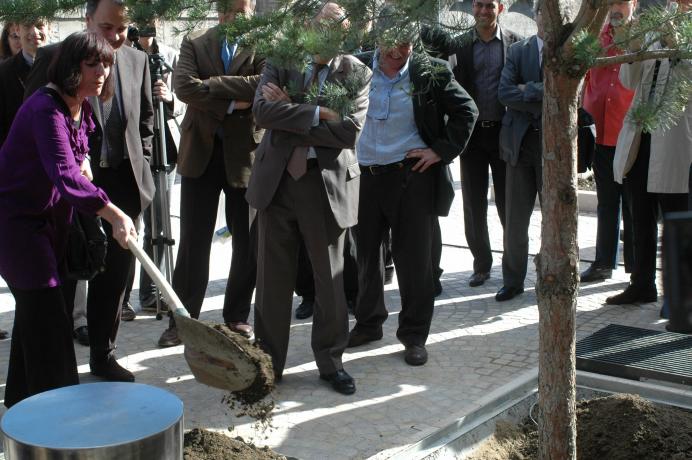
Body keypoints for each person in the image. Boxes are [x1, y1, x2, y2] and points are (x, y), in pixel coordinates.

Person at [0, 31, 136, 408]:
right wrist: (113, 213)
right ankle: (62, 419)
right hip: (16, 227)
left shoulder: (81, 106)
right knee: (50, 325)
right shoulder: (45, 108)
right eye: (92, 64)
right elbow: (64, 173)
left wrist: (86, 161)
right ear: (71, 67)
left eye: (106, 64)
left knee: (34, 318)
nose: (102, 72)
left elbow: (80, 155)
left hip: (50, 226)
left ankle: (19, 407)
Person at [25, 0, 155, 382]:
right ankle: (59, 363)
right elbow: (36, 124)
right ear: (86, 20)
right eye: (106, 27)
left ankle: (103, 353)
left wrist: (142, 159)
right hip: (70, 188)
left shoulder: (136, 60)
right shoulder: (54, 58)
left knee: (114, 277)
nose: (114, 39)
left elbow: (145, 119)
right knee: (67, 272)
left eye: (121, 29)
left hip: (124, 184)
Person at [247, 2, 371, 394]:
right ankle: (268, 365)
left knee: (330, 281)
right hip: (278, 183)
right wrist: (321, 113)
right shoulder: (281, 60)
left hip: (326, 185)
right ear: (308, 27)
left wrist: (294, 110)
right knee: (272, 280)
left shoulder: (357, 71)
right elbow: (263, 113)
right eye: (322, 27)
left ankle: (331, 362)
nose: (328, 36)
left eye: (337, 30)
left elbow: (349, 131)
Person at [347, 24, 478, 366]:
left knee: (414, 262)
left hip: (411, 177)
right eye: (391, 43)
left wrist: (440, 150)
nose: (398, 52)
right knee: (365, 257)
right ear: (377, 38)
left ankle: (414, 335)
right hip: (364, 176)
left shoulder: (429, 70)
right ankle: (368, 323)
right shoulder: (356, 67)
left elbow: (467, 110)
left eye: (405, 45)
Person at [157, 0, 263, 348]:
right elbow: (184, 87)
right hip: (200, 153)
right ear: (221, 12)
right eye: (233, 10)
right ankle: (183, 321)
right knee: (193, 241)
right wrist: (233, 100)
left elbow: (263, 86)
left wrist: (212, 85)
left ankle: (237, 317)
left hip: (244, 155)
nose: (239, 16)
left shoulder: (264, 45)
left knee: (246, 241)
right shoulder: (196, 40)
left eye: (245, 9)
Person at [608, 0, 692, 305]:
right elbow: (629, 81)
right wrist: (632, 49)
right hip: (641, 137)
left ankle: (681, 298)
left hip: (675, 141)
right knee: (639, 216)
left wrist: (677, 46)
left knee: (677, 220)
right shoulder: (655, 26)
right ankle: (641, 284)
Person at [447, 0, 521, 288]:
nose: (483, 11)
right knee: (474, 205)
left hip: (505, 133)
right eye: (479, 5)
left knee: (508, 204)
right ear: (472, 8)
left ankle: (512, 268)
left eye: (489, 5)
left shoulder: (516, 45)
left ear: (500, 8)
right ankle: (481, 264)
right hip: (472, 136)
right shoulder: (459, 45)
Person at [119, 24, 183, 321]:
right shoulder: (125, 55)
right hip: (133, 151)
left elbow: (185, 98)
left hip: (165, 147)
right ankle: (121, 297)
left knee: (160, 227)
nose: (147, 30)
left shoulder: (169, 55)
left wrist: (169, 96)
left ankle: (151, 292)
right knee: (132, 225)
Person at [579, 0, 636, 283]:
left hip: (632, 136)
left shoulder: (642, 39)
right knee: (606, 202)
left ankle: (638, 269)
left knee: (635, 204)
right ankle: (603, 263)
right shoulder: (593, 39)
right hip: (600, 136)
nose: (616, 7)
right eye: (611, 1)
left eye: (622, 2)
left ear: (633, 4)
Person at [495, 3, 544, 302]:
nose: (546, 18)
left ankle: (553, 276)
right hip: (519, 144)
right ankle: (512, 279)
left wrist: (527, 89)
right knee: (515, 219)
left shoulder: (566, 54)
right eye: (541, 11)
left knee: (555, 217)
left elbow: (571, 96)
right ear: (536, 15)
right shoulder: (517, 51)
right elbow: (504, 93)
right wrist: (542, 92)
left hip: (554, 148)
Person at [1, 20, 48, 146]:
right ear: (17, 30)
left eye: (39, 26)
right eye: (27, 26)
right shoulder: (4, 72)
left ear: (49, 27)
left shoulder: (64, 65)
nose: (34, 32)